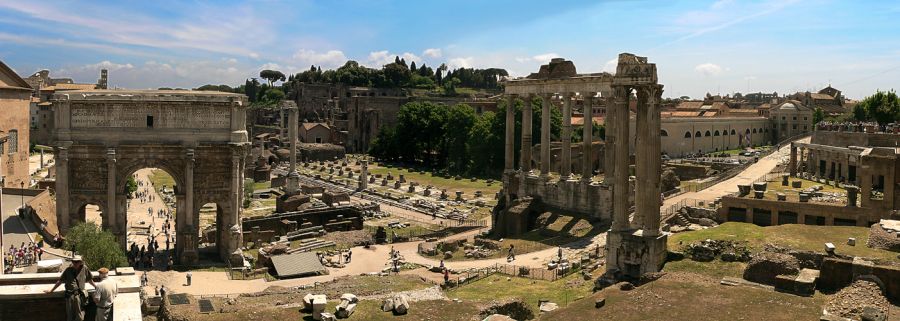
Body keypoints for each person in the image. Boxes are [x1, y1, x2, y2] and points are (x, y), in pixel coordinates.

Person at [45, 255, 96, 321]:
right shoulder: (68, 270)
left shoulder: (84, 268)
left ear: (80, 262)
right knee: (70, 316)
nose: (75, 263)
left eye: (77, 261)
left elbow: (89, 280)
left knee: (80, 317)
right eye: (73, 261)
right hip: (70, 296)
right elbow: (60, 281)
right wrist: (51, 290)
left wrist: (96, 287)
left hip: (79, 295)